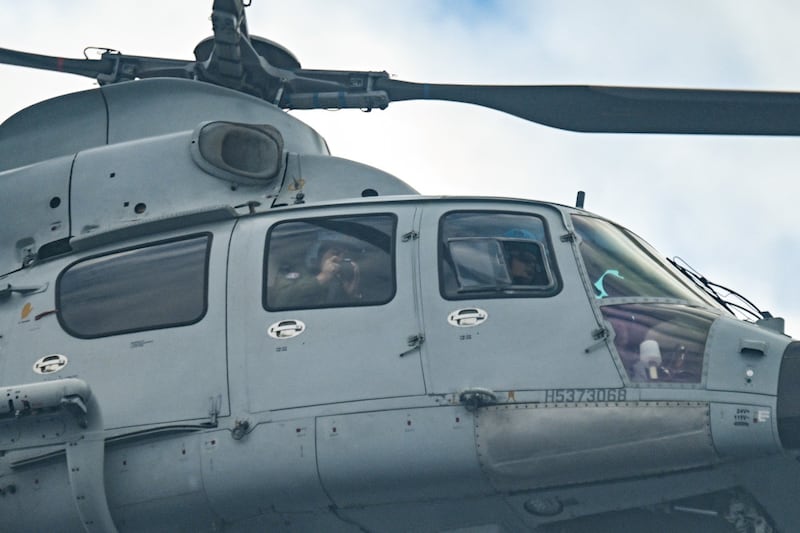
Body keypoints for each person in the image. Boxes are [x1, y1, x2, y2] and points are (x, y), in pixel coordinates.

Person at [270, 238, 362, 308]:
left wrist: (352, 294)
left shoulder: (341, 281)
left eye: (346, 256)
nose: (340, 259)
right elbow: (281, 302)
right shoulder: (293, 272)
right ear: (317, 256)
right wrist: (323, 277)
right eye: (335, 253)